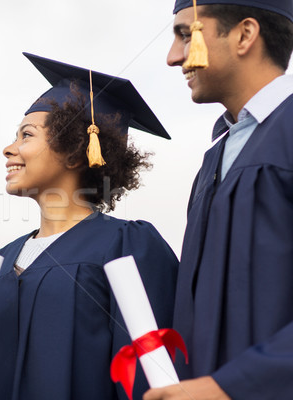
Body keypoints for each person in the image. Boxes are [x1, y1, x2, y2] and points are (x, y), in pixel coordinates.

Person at [0, 53, 179, 400]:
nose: (8, 149)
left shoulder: (127, 245)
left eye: (25, 135)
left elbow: (151, 379)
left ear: (75, 151)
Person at [144, 1, 293, 399]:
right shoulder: (216, 157)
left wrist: (233, 386)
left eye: (185, 34)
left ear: (245, 35)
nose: (173, 57)